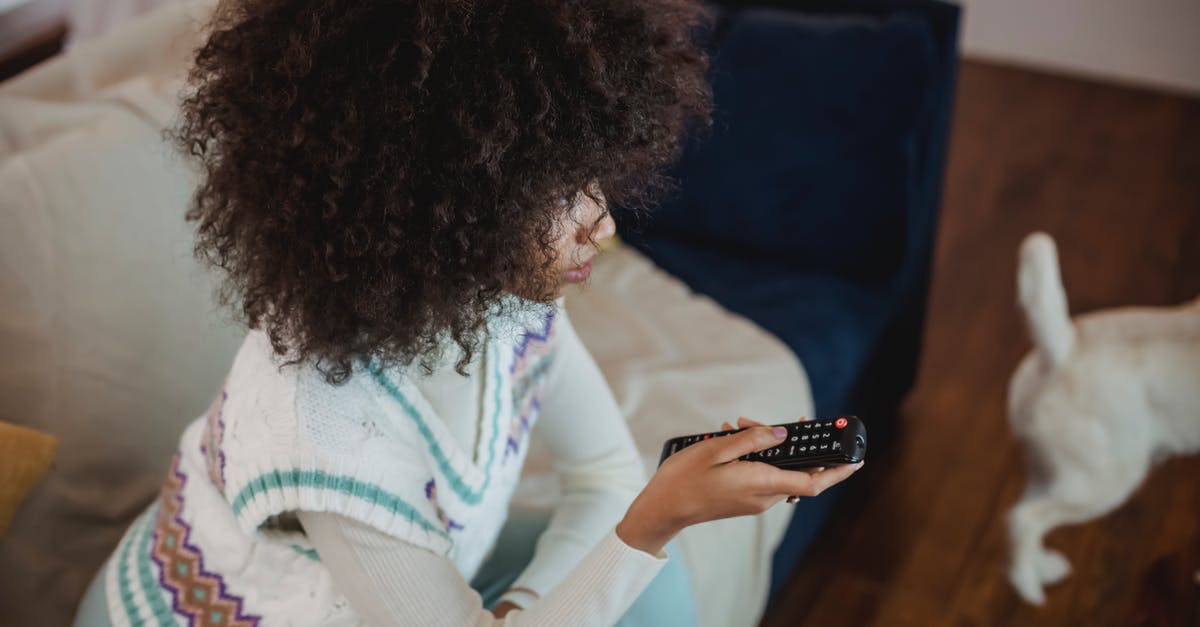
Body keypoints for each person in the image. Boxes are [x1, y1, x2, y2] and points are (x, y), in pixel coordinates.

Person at [73, 0, 862, 624]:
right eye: (557, 191)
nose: (605, 223)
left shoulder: (496, 295)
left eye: (591, 175)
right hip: (226, 609)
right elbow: (622, 504)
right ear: (436, 197)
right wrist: (651, 524)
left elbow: (604, 473)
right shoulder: (325, 433)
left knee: (651, 588)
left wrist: (531, 602)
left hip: (405, 578)